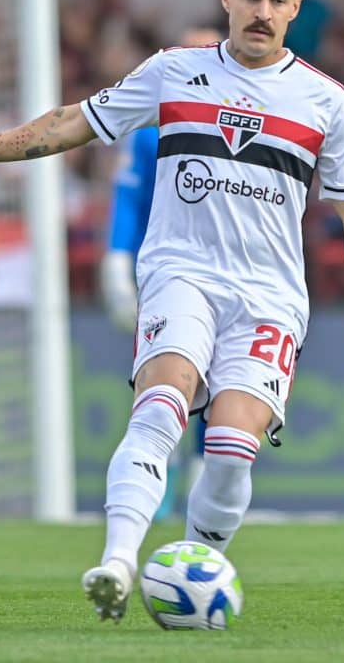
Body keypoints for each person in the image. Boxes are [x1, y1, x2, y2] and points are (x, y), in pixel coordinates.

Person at [0, 0, 344, 623]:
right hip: (181, 272)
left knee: (230, 451)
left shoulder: (326, 102)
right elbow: (73, 123)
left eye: (278, 0)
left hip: (269, 296)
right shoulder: (173, 72)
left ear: (296, 8)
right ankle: (115, 562)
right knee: (161, 402)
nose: (262, 11)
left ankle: (194, 573)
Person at [101, 25, 222, 521]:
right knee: (169, 384)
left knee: (219, 391)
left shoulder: (244, 127)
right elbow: (129, 198)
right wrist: (115, 261)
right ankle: (160, 496)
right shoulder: (152, 131)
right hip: (169, 274)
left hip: (232, 280)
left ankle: (199, 499)